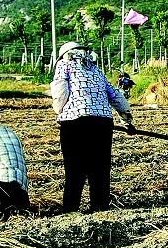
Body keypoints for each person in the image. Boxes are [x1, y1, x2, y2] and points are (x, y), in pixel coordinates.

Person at [51, 41, 133, 213]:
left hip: (75, 122)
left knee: (75, 167)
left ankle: (71, 208)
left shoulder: (63, 64)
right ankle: (100, 206)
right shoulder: (96, 71)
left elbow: (60, 91)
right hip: (102, 123)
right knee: (100, 167)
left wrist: (60, 111)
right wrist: (127, 119)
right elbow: (115, 95)